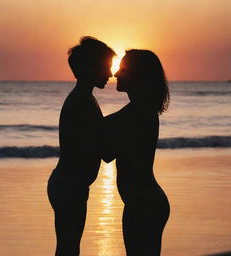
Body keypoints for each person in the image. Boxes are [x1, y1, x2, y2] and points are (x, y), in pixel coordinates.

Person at [47, 36, 115, 256]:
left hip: (70, 184)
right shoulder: (81, 102)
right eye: (106, 67)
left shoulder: (84, 99)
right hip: (70, 186)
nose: (110, 74)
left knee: (68, 246)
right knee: (69, 248)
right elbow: (99, 148)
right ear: (88, 68)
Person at [102, 49, 170, 255]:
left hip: (143, 205)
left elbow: (106, 152)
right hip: (145, 202)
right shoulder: (141, 110)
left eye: (122, 69)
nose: (115, 74)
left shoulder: (136, 113)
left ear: (138, 75)